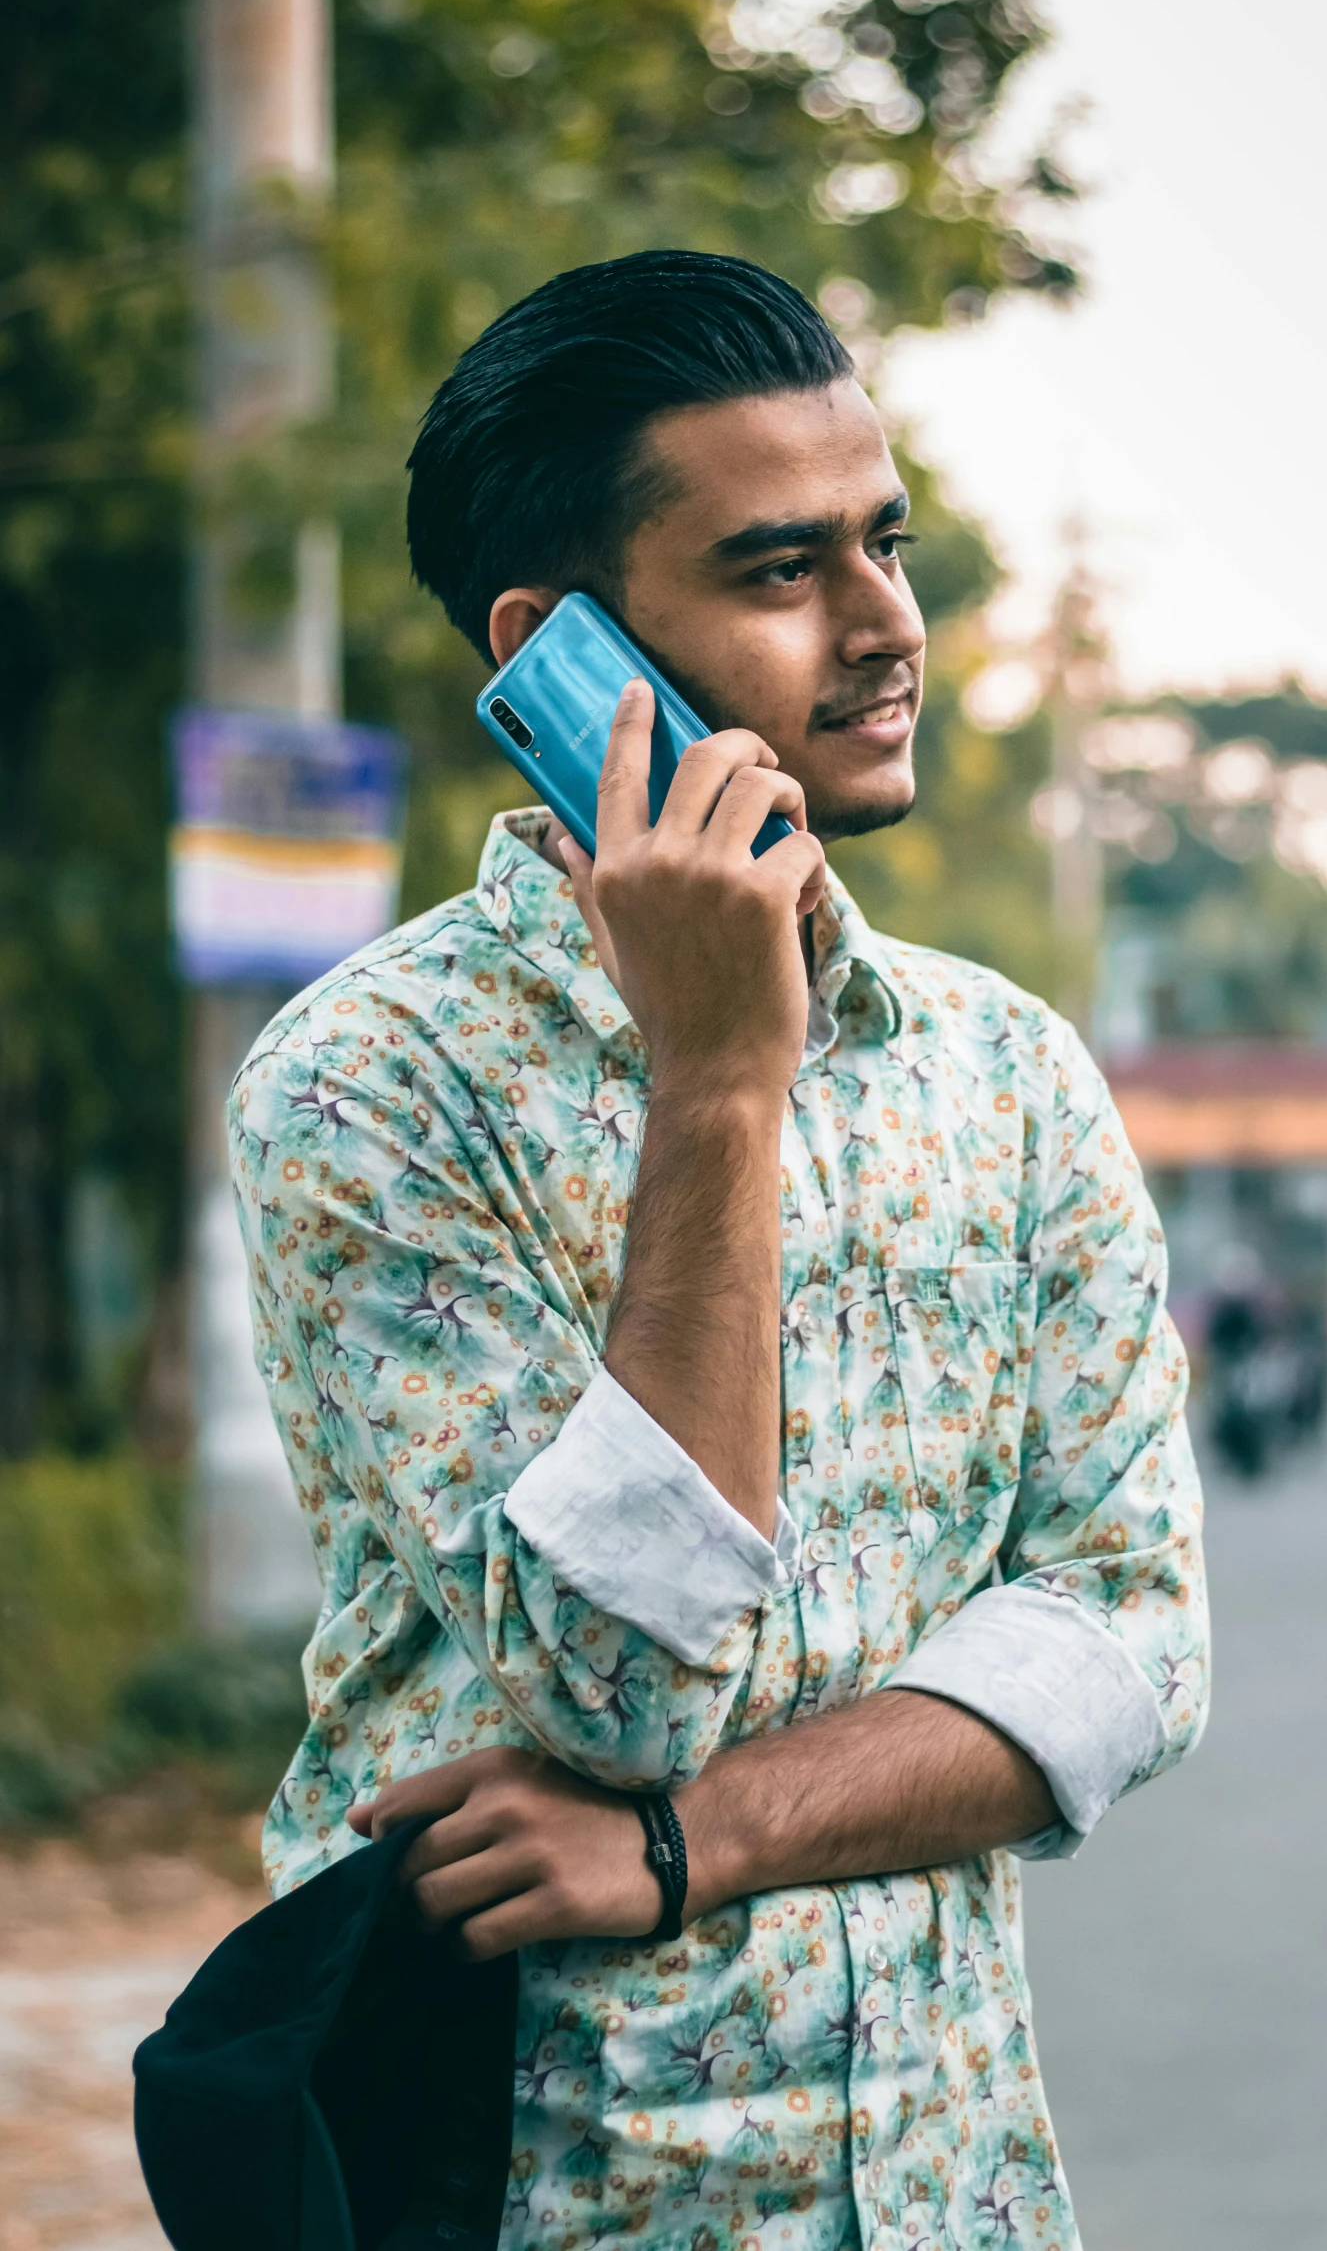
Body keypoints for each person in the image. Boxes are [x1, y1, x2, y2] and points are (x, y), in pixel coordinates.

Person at [230, 250, 1209, 2251]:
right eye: (781, 570)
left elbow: (1133, 1637)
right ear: (558, 650)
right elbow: (614, 1681)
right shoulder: (366, 1092)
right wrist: (719, 1092)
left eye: (885, 545)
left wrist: (689, 1844)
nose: (882, 629)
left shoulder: (1004, 1073)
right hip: (546, 2189)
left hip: (952, 2191)